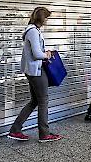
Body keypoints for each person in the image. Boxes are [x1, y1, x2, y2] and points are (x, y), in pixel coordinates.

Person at [8, 7, 62, 143]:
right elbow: (37, 54)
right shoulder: (32, 31)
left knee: (35, 101)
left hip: (33, 70)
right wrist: (47, 54)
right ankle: (44, 134)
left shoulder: (33, 30)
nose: (47, 21)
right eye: (47, 18)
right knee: (43, 101)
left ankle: (15, 130)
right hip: (36, 71)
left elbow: (36, 51)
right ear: (42, 18)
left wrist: (44, 52)